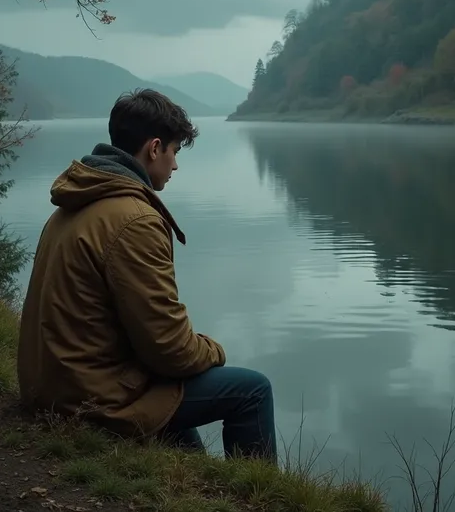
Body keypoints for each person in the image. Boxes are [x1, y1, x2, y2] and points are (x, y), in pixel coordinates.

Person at [17, 89, 277, 462]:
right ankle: (261, 499)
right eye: (174, 152)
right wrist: (214, 350)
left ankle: (193, 481)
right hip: (89, 399)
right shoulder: (134, 219)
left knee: (172, 396)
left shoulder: (75, 203)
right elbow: (169, 350)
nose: (175, 166)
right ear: (154, 148)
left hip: (51, 386)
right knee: (252, 390)